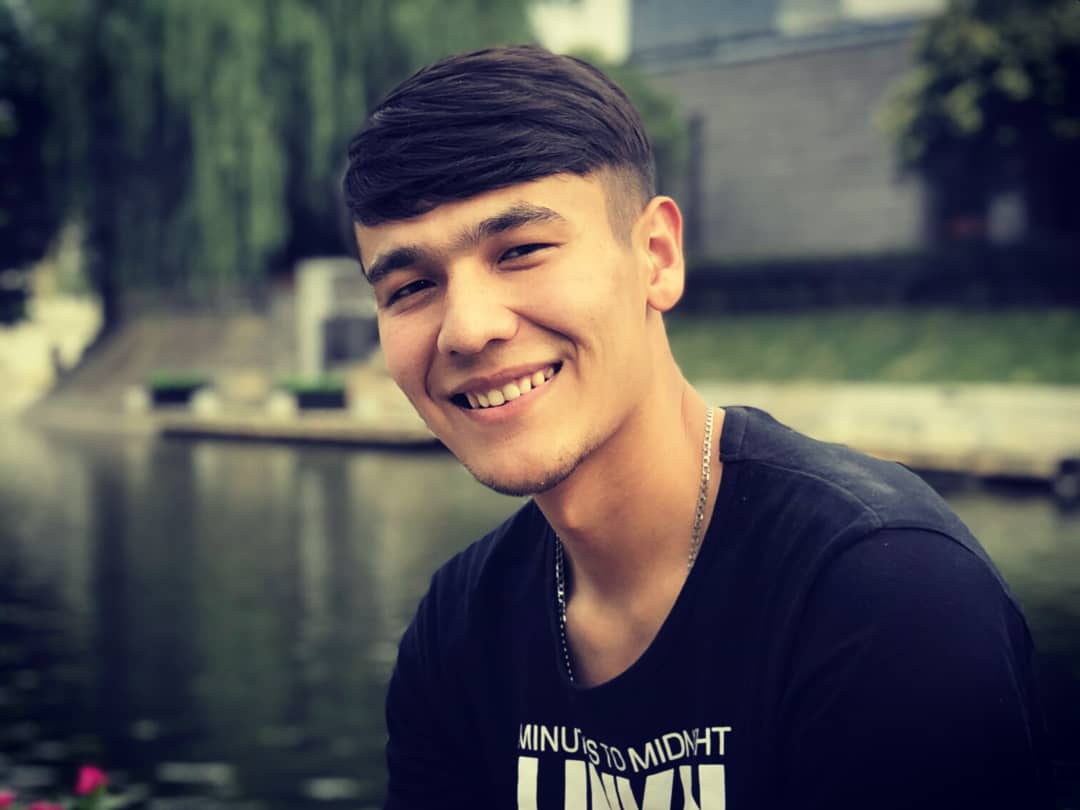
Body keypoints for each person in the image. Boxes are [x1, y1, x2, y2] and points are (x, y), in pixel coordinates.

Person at [342, 45, 1051, 809]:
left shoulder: (886, 593)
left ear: (656, 257)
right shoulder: (458, 631)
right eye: (411, 287)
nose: (466, 329)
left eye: (521, 251)